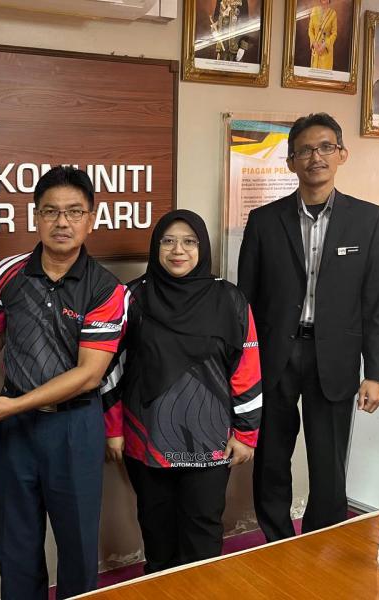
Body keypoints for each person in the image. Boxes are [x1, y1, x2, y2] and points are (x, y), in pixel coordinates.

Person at [0, 166, 124, 600]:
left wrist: (15, 406)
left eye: (74, 212)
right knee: (15, 542)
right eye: (51, 211)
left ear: (91, 219)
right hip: (16, 429)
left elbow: (89, 373)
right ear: (35, 216)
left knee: (77, 544)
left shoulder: (106, 289)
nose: (62, 222)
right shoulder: (8, 272)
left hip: (73, 426)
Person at [238, 113, 379, 542]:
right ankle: (276, 540)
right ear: (291, 162)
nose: (315, 157)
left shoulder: (369, 220)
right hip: (275, 358)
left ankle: (320, 541)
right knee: (271, 458)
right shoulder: (264, 221)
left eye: (326, 147)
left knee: (328, 463)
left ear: (342, 154)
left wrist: (375, 373)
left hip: (335, 359)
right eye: (305, 150)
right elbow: (244, 303)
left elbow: (377, 305)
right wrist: (242, 366)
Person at [102, 209, 262, 573]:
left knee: (202, 535)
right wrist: (113, 430)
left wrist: (246, 434)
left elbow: (247, 369)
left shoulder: (230, 299)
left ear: (202, 247)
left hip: (210, 442)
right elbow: (112, 369)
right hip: (146, 440)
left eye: (189, 242)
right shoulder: (132, 297)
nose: (178, 250)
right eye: (169, 241)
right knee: (157, 533)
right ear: (155, 247)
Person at [308, 0, 337, 70]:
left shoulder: (333, 13)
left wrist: (324, 45)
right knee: (313, 75)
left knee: (324, 75)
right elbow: (310, 30)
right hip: (316, 50)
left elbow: (334, 33)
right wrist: (314, 43)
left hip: (326, 51)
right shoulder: (314, 11)